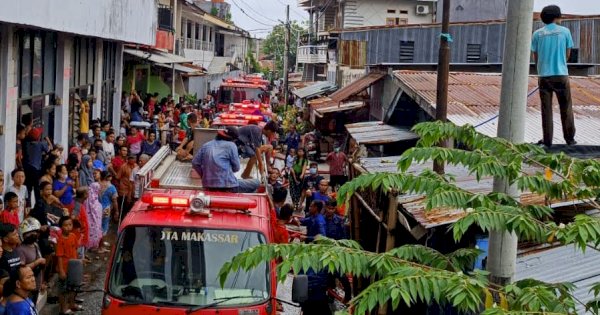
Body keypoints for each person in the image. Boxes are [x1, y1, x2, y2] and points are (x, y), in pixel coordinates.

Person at [532, 5, 576, 147]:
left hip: (544, 76)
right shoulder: (565, 32)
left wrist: (542, 69)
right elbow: (567, 54)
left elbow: (536, 56)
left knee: (546, 109)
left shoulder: (537, 34)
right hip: (561, 74)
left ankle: (547, 141)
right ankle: (569, 139)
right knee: (566, 107)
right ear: (557, 17)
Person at [192, 127, 260, 193]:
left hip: (207, 185)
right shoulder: (231, 145)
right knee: (257, 183)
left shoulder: (206, 145)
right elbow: (236, 168)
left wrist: (204, 175)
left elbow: (195, 163)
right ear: (233, 139)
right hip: (229, 186)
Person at [15, 218, 45, 306]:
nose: (33, 234)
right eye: (29, 233)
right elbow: (21, 269)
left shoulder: (36, 245)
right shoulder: (20, 250)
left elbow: (41, 267)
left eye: (35, 231)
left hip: (37, 283)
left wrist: (42, 282)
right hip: (27, 287)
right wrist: (37, 262)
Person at [55, 216, 81, 314]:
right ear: (61, 227)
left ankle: (72, 304)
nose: (68, 227)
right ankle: (63, 309)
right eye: (65, 225)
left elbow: (75, 250)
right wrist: (61, 271)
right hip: (65, 268)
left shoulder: (73, 236)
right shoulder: (61, 240)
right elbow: (59, 257)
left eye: (70, 225)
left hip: (73, 267)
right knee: (64, 290)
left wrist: (79, 262)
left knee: (74, 287)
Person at [22, 128, 52, 199]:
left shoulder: (26, 143)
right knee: (36, 187)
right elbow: (50, 149)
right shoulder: (41, 144)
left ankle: (28, 203)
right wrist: (47, 140)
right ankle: (38, 203)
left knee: (28, 187)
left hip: (26, 168)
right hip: (35, 169)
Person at [98, 171, 118, 251]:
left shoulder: (97, 185)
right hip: (106, 209)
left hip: (96, 209)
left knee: (98, 226)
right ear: (107, 177)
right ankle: (101, 247)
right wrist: (116, 211)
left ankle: (98, 243)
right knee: (104, 227)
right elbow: (114, 200)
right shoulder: (111, 187)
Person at [116, 155, 137, 220]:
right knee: (123, 208)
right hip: (124, 190)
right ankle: (121, 221)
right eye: (131, 158)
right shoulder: (123, 167)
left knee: (131, 207)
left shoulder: (136, 167)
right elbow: (117, 177)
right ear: (128, 159)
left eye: (134, 158)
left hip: (132, 190)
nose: (133, 160)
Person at [71, 188, 90, 260]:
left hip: (80, 235)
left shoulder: (78, 203)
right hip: (79, 235)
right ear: (84, 195)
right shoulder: (77, 205)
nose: (88, 194)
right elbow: (73, 217)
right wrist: (81, 226)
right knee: (78, 256)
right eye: (87, 193)